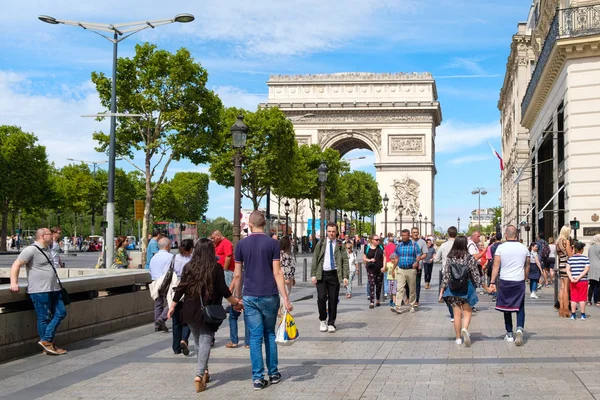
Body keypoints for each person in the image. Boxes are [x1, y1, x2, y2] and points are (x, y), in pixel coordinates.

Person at [167, 238, 243, 393]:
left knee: (197, 340)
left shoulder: (189, 267)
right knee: (205, 340)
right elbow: (223, 290)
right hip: (208, 310)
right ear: (210, 251)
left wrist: (173, 306)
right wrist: (235, 303)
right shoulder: (216, 268)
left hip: (190, 310)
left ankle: (205, 371)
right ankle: (199, 374)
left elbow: (180, 288)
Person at [233, 210, 292, 390]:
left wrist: (237, 297)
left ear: (249, 225)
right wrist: (286, 298)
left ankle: (258, 378)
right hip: (269, 294)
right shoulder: (272, 244)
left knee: (255, 337)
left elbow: (237, 274)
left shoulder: (241, 245)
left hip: (250, 295)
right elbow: (277, 272)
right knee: (270, 334)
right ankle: (273, 373)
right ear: (265, 225)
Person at [9, 228, 68, 355]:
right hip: (39, 290)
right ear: (42, 236)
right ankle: (48, 345)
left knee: (61, 312)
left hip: (54, 288)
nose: (52, 236)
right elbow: (16, 265)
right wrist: (14, 283)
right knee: (44, 317)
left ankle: (46, 341)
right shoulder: (31, 250)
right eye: (49, 234)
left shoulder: (47, 249)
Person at [489, 225, 530, 346]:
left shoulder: (501, 248)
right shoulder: (524, 248)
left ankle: (509, 333)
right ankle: (519, 328)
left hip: (505, 280)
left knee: (506, 307)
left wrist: (492, 282)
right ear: (517, 235)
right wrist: (525, 277)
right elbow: (527, 265)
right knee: (520, 306)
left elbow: (496, 265)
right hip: (519, 280)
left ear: (506, 235)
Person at [439, 236, 481, 346]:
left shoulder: (450, 258)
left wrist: (442, 290)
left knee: (456, 315)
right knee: (467, 312)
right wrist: (484, 286)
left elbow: (446, 276)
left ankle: (458, 338)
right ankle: (465, 329)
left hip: (453, 288)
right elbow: (475, 274)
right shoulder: (469, 258)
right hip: (466, 288)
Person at [311, 223, 349, 332]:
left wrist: (345, 276)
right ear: (326, 231)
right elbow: (315, 258)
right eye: (329, 231)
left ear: (336, 232)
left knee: (333, 299)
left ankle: (331, 322)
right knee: (321, 298)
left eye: (333, 231)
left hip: (334, 274)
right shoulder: (321, 243)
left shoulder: (340, 245)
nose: (331, 233)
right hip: (322, 274)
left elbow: (345, 261)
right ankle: (323, 319)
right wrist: (313, 274)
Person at [169, 238, 194, 355]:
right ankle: (184, 339)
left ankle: (176, 347)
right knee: (188, 319)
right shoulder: (192, 259)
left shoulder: (175, 258)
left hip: (176, 289)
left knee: (176, 320)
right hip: (189, 290)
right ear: (190, 248)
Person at [149, 237, 174, 332]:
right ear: (167, 246)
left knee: (158, 303)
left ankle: (157, 324)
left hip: (155, 282)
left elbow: (150, 271)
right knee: (171, 302)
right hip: (166, 282)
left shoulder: (153, 258)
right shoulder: (170, 257)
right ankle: (161, 319)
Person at [394, 229, 420, 314]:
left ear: (409, 236)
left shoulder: (414, 245)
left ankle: (412, 305)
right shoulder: (398, 246)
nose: (404, 237)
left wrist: (417, 262)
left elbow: (418, 255)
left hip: (411, 269)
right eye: (403, 235)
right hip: (401, 269)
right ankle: (397, 306)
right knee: (400, 288)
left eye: (406, 235)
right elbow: (396, 257)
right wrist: (394, 268)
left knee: (412, 289)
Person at [435, 226, 458, 322]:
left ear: (448, 234)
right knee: (457, 293)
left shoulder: (443, 245)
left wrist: (440, 259)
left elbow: (436, 259)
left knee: (446, 294)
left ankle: (452, 313)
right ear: (456, 234)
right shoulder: (459, 245)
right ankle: (457, 312)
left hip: (446, 272)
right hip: (458, 273)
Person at [567, 241, 590, 320]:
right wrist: (579, 277)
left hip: (573, 281)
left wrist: (572, 278)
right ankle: (582, 314)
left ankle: (573, 314)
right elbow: (586, 269)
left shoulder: (570, 259)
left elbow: (568, 270)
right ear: (582, 250)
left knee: (573, 298)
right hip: (583, 281)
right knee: (582, 298)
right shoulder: (585, 258)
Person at [363, 234, 385, 309]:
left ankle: (378, 299)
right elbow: (364, 258)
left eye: (379, 240)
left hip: (379, 269)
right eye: (376, 240)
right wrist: (369, 260)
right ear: (372, 240)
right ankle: (372, 302)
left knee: (379, 285)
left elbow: (384, 257)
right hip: (371, 269)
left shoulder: (381, 247)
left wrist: (384, 266)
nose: (378, 241)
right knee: (372, 284)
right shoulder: (367, 247)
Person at [556, 226, 574, 317]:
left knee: (562, 288)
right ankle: (566, 310)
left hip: (560, 264)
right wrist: (573, 249)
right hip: (566, 264)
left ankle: (561, 309)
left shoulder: (558, 242)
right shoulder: (566, 241)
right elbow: (570, 255)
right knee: (566, 288)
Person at [410, 227, 427, 307]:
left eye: (417, 232)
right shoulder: (408, 242)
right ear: (411, 233)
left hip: (418, 266)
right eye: (414, 232)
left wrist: (418, 259)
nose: (416, 234)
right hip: (408, 265)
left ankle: (416, 300)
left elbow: (425, 254)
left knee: (417, 283)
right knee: (407, 283)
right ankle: (408, 298)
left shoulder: (422, 242)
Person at [279, 236, 296, 315]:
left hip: (290, 275)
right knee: (285, 293)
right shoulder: (282, 254)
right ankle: (280, 310)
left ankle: (282, 309)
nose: (291, 243)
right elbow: (282, 266)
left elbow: (291, 265)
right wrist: (285, 277)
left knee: (287, 293)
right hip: (285, 275)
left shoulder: (289, 252)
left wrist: (293, 277)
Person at [587, 235, 600, 306]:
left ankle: (589, 300)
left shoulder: (590, 248)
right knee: (598, 285)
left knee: (591, 285)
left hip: (591, 267)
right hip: (598, 267)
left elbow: (589, 257)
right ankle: (598, 300)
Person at [384, 233, 396, 299]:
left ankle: (386, 292)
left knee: (386, 279)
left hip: (387, 264)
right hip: (394, 265)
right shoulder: (396, 247)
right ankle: (393, 292)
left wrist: (384, 265)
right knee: (394, 279)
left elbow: (384, 256)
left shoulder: (385, 247)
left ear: (388, 241)